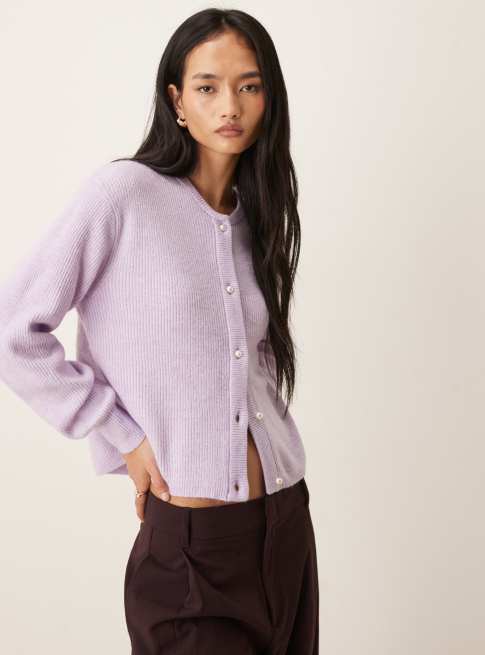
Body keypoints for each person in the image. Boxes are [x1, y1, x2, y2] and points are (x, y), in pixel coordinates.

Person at [0, 8, 319, 654]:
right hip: (193, 556)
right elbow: (14, 330)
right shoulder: (123, 196)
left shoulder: (252, 218)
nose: (229, 105)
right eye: (207, 87)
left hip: (287, 529)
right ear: (176, 100)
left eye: (249, 86)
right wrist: (122, 434)